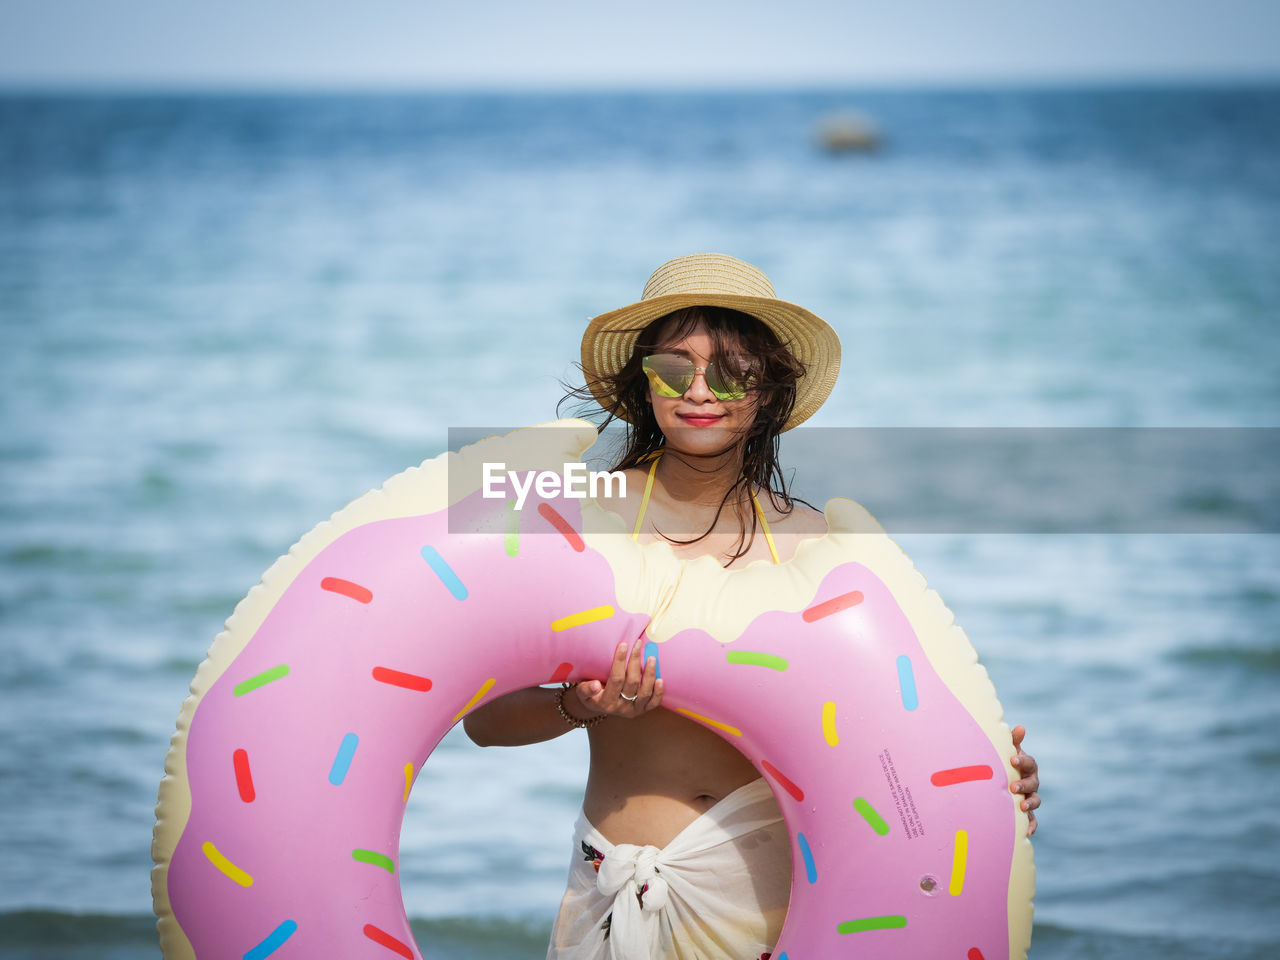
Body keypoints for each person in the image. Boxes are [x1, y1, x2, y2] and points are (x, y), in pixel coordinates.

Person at [463, 254, 1041, 960]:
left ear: (767, 389)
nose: (700, 390)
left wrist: (987, 779)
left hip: (766, 901)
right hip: (617, 880)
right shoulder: (582, 526)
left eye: (732, 369)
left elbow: (887, 728)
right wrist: (581, 707)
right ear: (643, 384)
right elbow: (484, 722)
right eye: (674, 369)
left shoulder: (816, 545)